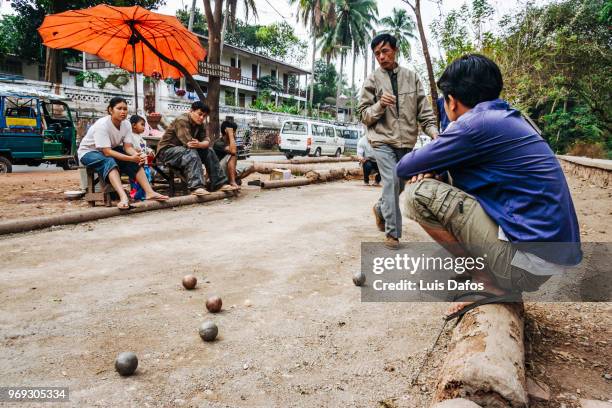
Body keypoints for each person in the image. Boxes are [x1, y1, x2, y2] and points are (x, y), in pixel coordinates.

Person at [396, 54, 582, 317]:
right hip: (545, 259)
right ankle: (487, 271)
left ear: (451, 101)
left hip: (524, 266)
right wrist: (437, 170)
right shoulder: (509, 117)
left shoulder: (474, 124)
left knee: (417, 194)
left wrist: (429, 170)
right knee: (446, 179)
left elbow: (404, 167)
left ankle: (486, 282)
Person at [358, 33, 439, 249]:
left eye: (385, 51)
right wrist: (379, 106)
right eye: (377, 54)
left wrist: (434, 134)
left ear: (395, 50)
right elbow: (364, 115)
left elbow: (425, 113)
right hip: (381, 141)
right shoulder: (372, 80)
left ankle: (380, 207)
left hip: (406, 143)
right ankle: (392, 234)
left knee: (399, 185)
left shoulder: (412, 78)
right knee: (392, 182)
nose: (381, 57)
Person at [78, 97, 168, 209]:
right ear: (110, 110)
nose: (123, 111)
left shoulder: (126, 125)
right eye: (119, 108)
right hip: (89, 152)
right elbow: (107, 152)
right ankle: (123, 197)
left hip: (109, 150)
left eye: (125, 109)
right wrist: (130, 158)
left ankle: (149, 192)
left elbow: (128, 147)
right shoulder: (102, 125)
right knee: (109, 161)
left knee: (135, 159)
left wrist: (135, 155)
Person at [156, 101, 234, 196]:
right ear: (191, 111)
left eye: (204, 116)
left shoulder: (200, 123)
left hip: (184, 150)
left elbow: (206, 140)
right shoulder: (182, 120)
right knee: (191, 151)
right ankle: (196, 187)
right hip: (166, 151)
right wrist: (202, 144)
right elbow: (190, 144)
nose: (202, 118)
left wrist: (202, 144)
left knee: (209, 151)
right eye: (200, 114)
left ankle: (219, 183)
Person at [214, 120, 256, 188]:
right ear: (226, 131)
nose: (235, 134)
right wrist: (231, 135)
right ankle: (232, 181)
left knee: (252, 167)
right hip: (219, 171)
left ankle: (231, 179)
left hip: (228, 170)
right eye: (234, 132)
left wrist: (232, 138)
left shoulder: (230, 142)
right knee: (233, 155)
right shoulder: (218, 143)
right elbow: (233, 151)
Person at [129, 115, 155, 201]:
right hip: (137, 162)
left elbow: (144, 147)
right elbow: (130, 148)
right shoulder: (130, 136)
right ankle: (136, 196)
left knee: (147, 178)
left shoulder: (140, 137)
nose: (144, 127)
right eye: (142, 124)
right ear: (134, 125)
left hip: (145, 163)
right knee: (136, 180)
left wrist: (149, 150)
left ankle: (145, 194)